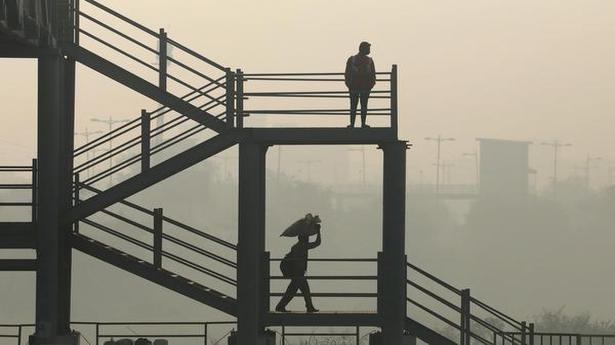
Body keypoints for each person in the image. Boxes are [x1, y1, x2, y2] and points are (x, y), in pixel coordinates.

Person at [275, 226, 322, 313]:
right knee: (296, 291)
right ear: (304, 239)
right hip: (298, 274)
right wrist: (318, 231)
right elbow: (317, 243)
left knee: (296, 291)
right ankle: (281, 306)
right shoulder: (303, 246)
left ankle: (309, 306)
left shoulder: (296, 246)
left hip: (296, 273)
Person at [344, 41, 376, 128]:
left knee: (357, 105)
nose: (369, 49)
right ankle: (358, 124)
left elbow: (373, 75)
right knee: (360, 105)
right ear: (363, 48)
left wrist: (371, 85)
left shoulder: (354, 59)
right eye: (368, 48)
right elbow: (347, 74)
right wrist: (349, 84)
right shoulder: (355, 60)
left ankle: (355, 124)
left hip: (361, 87)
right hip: (358, 87)